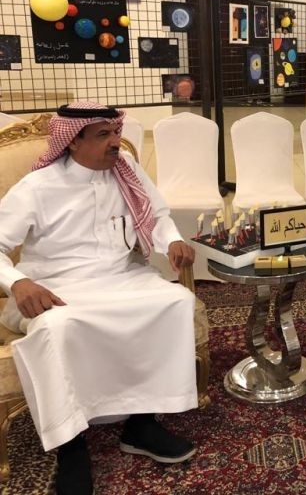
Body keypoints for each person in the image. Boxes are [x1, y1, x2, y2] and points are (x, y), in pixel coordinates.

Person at [0, 102, 199, 495]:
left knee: (175, 302)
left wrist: (172, 240)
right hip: (57, 287)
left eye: (116, 132)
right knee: (57, 327)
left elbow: (157, 216)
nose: (115, 142)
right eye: (103, 134)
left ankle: (141, 424)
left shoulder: (126, 171)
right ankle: (71, 446)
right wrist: (18, 282)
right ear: (73, 141)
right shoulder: (37, 186)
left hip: (122, 277)